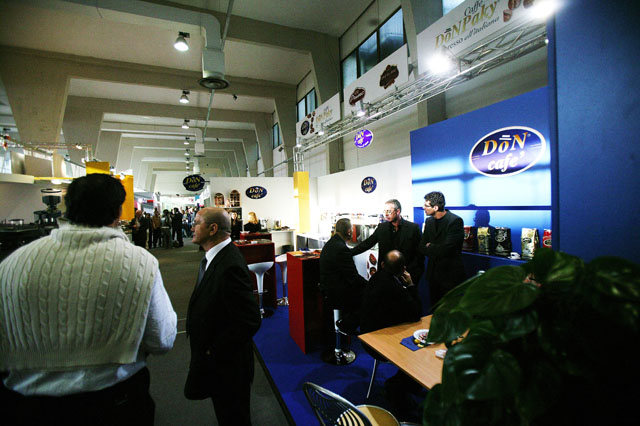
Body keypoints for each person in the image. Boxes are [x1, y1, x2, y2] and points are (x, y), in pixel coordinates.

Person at [0, 173, 177, 426]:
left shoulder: (13, 263)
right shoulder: (138, 263)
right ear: (118, 212)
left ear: (68, 208)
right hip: (113, 402)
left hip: (25, 405)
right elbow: (162, 339)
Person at [184, 207, 261, 426]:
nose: (192, 227)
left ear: (212, 229)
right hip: (221, 365)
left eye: (197, 223)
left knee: (234, 418)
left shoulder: (229, 264)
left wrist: (212, 351)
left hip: (228, 368)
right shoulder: (214, 258)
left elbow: (250, 320)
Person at [359, 250, 423, 421]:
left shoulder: (375, 279)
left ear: (382, 264)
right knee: (418, 350)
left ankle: (403, 387)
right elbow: (416, 313)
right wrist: (411, 285)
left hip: (367, 335)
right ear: (403, 269)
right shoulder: (395, 288)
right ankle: (397, 387)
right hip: (379, 343)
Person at [351, 199, 425, 284]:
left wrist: (416, 273)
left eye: (389, 211)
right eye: (385, 211)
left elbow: (420, 253)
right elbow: (367, 243)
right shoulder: (382, 227)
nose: (386, 214)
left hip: (406, 274)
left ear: (398, 211)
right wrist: (349, 253)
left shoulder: (413, 228)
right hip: (386, 274)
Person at [419, 191, 467, 310]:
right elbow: (422, 246)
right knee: (434, 309)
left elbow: (447, 249)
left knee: (450, 310)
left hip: (450, 276)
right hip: (433, 275)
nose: (423, 207)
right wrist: (433, 247)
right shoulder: (429, 221)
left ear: (436, 207)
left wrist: (431, 246)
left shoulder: (455, 221)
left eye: (426, 205)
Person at [319, 218, 367, 333]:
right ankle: (346, 325)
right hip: (336, 292)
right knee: (369, 296)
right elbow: (353, 277)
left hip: (328, 287)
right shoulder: (341, 248)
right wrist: (370, 285)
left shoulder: (332, 243)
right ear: (349, 231)